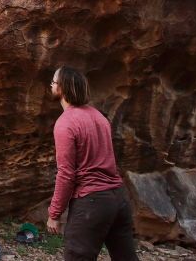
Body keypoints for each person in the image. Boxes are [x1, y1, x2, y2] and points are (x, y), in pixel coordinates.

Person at [46, 66, 138, 261]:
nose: (51, 85)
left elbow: (66, 174)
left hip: (92, 202)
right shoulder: (98, 117)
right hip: (119, 199)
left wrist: (54, 213)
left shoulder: (65, 123)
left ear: (63, 88)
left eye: (53, 82)